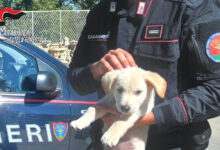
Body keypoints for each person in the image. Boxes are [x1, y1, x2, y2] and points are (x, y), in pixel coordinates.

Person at [68, 0, 220, 149]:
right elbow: (75, 79)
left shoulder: (190, 7)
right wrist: (96, 69)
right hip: (106, 142)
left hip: (170, 141)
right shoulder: (99, 13)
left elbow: (215, 89)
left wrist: (149, 117)